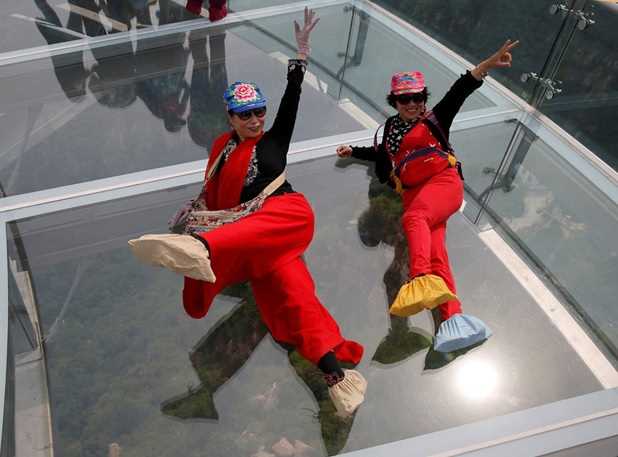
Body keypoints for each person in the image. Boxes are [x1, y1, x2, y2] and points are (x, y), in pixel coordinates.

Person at [129, 8, 367, 417]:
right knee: (295, 299)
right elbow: (216, 199)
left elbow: (291, 102)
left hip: (284, 218)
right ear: (230, 118)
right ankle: (337, 377)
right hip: (255, 242)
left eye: (259, 112)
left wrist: (302, 55)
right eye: (246, 115)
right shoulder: (222, 148)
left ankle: (201, 248)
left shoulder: (272, 142)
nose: (256, 120)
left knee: (266, 250)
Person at [336, 40, 519, 353]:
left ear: (424, 99)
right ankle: (454, 323)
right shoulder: (389, 130)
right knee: (437, 257)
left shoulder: (434, 120)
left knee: (415, 219)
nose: (412, 104)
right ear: (394, 101)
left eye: (417, 98)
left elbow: (460, 90)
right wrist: (353, 151)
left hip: (442, 183)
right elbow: (381, 154)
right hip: (413, 193)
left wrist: (486, 66)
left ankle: (418, 280)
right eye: (405, 99)